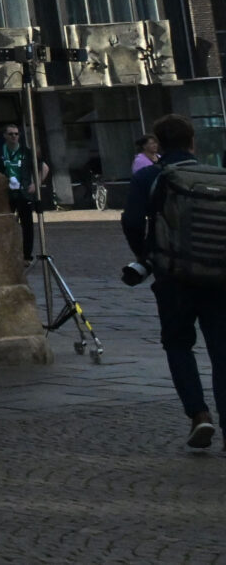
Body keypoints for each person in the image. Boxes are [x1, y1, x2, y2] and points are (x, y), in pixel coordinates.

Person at [122, 113, 224, 450]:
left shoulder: (150, 176)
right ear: (193, 142)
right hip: (219, 277)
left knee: (179, 344)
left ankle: (199, 415)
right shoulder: (219, 176)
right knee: (222, 352)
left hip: (173, 277)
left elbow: (133, 221)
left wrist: (150, 255)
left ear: (159, 146)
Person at [0, 125, 40, 261]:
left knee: (27, 225)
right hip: (6, 194)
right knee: (5, 224)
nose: (14, 136)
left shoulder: (26, 152)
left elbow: (43, 168)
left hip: (23, 193)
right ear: (5, 136)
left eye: (16, 134)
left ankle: (26, 255)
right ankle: (7, 254)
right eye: (10, 134)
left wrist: (36, 184)